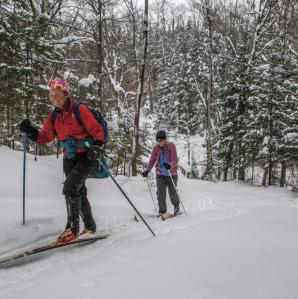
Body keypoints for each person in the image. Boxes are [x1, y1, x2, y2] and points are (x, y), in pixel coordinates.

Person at [19, 77, 105, 244]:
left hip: (86, 155)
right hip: (69, 157)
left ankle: (72, 229)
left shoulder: (79, 109)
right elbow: (45, 138)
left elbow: (97, 130)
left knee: (70, 188)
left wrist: (97, 146)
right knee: (79, 191)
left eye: (57, 94)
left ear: (66, 93)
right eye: (51, 95)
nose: (54, 98)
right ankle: (90, 227)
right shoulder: (53, 116)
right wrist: (30, 131)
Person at [142, 130, 180, 216]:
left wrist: (170, 165)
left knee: (172, 193)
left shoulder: (171, 146)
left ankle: (176, 206)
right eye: (158, 140)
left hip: (171, 174)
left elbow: (174, 159)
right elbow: (152, 160)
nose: (160, 142)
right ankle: (162, 211)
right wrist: (147, 170)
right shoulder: (156, 148)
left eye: (161, 140)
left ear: (165, 139)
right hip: (160, 174)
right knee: (160, 193)